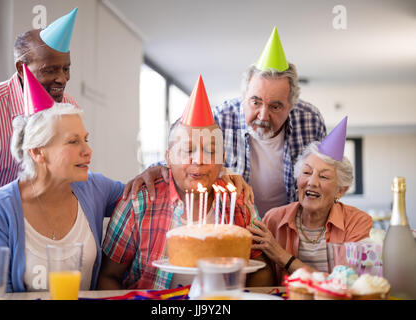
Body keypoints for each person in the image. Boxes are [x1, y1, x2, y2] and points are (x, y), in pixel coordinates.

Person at [98, 76, 274, 290]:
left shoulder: (237, 200)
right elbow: (108, 276)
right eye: (188, 150)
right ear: (169, 157)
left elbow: (262, 268)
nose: (198, 159)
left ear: (221, 159)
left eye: (210, 151)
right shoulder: (140, 202)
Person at [0, 65, 124, 292]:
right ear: (37, 151)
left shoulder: (94, 187)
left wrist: (157, 169)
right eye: (73, 141)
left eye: (86, 140)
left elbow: (141, 194)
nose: (87, 151)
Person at [0, 8, 78, 218]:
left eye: (65, 69)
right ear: (21, 68)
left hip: (44, 222)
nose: (62, 79)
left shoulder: (69, 107)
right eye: (50, 70)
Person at [213, 27, 326, 217]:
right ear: (244, 96)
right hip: (232, 226)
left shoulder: (310, 120)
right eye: (255, 102)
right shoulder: (219, 119)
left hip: (291, 229)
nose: (263, 116)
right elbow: (185, 161)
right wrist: (158, 170)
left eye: (275, 107)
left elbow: (324, 177)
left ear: (291, 105)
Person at [248, 117, 372, 284]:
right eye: (306, 173)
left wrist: (282, 256)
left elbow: (346, 284)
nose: (312, 182)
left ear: (341, 190)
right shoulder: (274, 220)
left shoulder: (356, 223)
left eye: (324, 176)